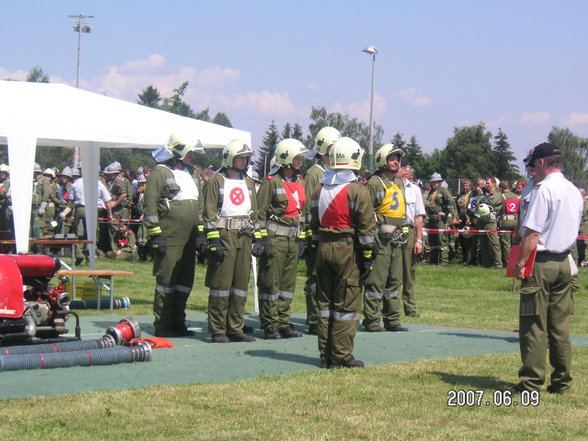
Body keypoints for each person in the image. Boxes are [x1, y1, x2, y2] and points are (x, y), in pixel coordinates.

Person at [511, 142, 583, 395]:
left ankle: (531, 382)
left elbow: (532, 233)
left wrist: (520, 263)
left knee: (533, 324)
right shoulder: (574, 190)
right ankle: (562, 382)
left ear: (541, 163)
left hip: (541, 262)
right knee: (560, 327)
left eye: (534, 164)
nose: (532, 169)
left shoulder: (543, 190)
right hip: (565, 261)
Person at [310, 137, 376, 368]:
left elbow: (313, 224)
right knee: (346, 306)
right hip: (347, 250)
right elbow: (367, 229)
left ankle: (325, 355)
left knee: (325, 306)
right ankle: (341, 356)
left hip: (323, 249)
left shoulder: (320, 188)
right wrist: (367, 258)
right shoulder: (358, 190)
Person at [144, 130, 204, 338]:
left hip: (189, 236)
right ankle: (163, 323)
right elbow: (150, 205)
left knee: (185, 279)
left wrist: (201, 233)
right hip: (170, 235)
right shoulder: (160, 172)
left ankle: (179, 321)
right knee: (167, 279)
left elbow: (201, 204)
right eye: (189, 152)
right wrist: (155, 235)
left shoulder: (192, 172)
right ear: (178, 150)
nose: (192, 156)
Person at [203, 139, 257, 343]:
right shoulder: (217, 180)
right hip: (224, 235)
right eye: (240, 158)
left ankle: (235, 327)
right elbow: (208, 212)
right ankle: (218, 329)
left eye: (246, 158)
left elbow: (255, 212)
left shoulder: (249, 182)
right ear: (230, 158)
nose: (244, 161)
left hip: (244, 235)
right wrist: (213, 240)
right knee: (221, 284)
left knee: (240, 284)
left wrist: (258, 238)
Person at [256, 138, 307, 339]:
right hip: (275, 238)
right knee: (271, 282)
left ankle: (284, 322)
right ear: (286, 157)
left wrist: (302, 238)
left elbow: (303, 213)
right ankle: (270, 323)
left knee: (287, 284)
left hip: (292, 240)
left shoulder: (300, 182)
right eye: (297, 157)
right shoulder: (272, 182)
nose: (300, 161)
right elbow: (260, 213)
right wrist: (261, 240)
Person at [362, 144, 409, 332]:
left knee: (394, 281)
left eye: (397, 158)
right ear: (382, 160)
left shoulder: (398, 183)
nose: (396, 161)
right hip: (380, 239)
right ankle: (372, 320)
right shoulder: (375, 183)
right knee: (376, 281)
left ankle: (392, 319)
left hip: (397, 240)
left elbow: (402, 212)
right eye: (392, 158)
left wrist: (404, 232)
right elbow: (365, 212)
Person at [302, 126, 341, 335]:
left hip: (332, 233)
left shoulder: (335, 172)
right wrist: (310, 235)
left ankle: (327, 316)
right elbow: (309, 206)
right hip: (317, 233)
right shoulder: (315, 172)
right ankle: (314, 319)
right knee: (315, 277)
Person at [399, 165, 426, 317]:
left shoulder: (414, 189)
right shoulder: (390, 187)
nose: (403, 170)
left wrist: (419, 240)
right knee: (390, 272)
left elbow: (418, 217)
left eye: (405, 167)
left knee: (408, 272)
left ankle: (410, 307)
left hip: (408, 232)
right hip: (392, 230)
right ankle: (389, 307)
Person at [425, 172, 455, 265]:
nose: (434, 184)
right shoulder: (431, 192)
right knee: (432, 240)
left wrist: (446, 213)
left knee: (441, 240)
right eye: (432, 182)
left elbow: (451, 201)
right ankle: (433, 260)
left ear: (439, 182)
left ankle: (443, 261)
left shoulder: (443, 191)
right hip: (431, 219)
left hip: (440, 220)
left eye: (435, 182)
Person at [475, 177, 504, 269]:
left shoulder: (498, 193)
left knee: (494, 243)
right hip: (481, 220)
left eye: (488, 183)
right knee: (483, 244)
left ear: (494, 184)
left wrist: (484, 201)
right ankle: (485, 264)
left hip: (491, 221)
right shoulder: (482, 192)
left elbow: (493, 202)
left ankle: (498, 265)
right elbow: (477, 202)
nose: (486, 185)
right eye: (486, 183)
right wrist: (483, 200)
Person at [498, 180, 519, 268]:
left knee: (506, 244)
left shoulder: (501, 196)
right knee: (515, 244)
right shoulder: (516, 196)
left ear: (501, 188)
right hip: (515, 222)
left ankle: (508, 264)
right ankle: (515, 263)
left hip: (505, 222)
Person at [455, 179, 473, 265]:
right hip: (460, 218)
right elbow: (456, 208)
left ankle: (469, 259)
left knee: (468, 240)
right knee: (461, 240)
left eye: (466, 186)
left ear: (469, 186)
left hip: (468, 219)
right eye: (463, 186)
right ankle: (463, 258)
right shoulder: (459, 196)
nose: (464, 187)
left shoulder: (471, 195)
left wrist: (469, 218)